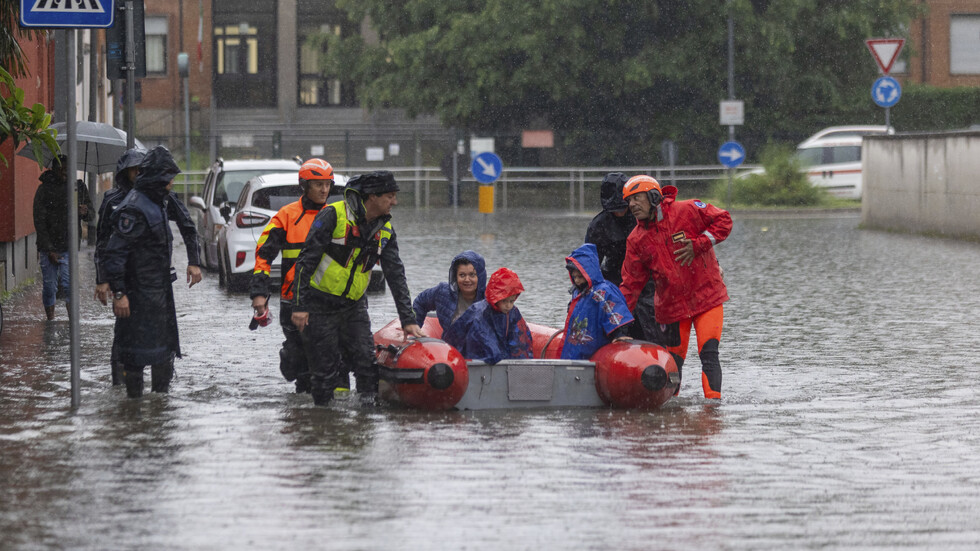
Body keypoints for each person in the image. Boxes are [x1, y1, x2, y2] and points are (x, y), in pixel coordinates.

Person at [291, 170, 424, 406]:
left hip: (354, 307)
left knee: (366, 362)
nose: (394, 202)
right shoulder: (333, 215)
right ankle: (322, 421)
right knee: (325, 370)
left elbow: (396, 275)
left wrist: (408, 319)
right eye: (390, 196)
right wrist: (299, 306)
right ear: (372, 196)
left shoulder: (385, 230)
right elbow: (305, 262)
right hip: (319, 304)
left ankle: (367, 417)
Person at [99, 146, 203, 398]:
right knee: (134, 353)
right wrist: (119, 292)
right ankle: (133, 408)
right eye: (169, 177)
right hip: (138, 294)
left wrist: (193, 260)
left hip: (158, 292)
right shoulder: (134, 208)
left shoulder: (158, 202)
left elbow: (186, 227)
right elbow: (114, 252)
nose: (172, 183)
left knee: (163, 351)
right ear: (158, 176)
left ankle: (159, 408)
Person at [619, 175, 732, 399]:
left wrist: (699, 244)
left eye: (636, 198)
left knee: (708, 354)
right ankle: (670, 409)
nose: (631, 205)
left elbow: (724, 220)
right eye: (628, 201)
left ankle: (712, 412)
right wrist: (615, 323)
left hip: (707, 299)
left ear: (653, 197)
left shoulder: (687, 210)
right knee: (673, 362)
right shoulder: (635, 239)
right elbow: (630, 286)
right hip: (671, 309)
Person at [249, 158, 334, 394]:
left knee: (330, 361)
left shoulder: (337, 215)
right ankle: (304, 414)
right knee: (301, 363)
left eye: (328, 184)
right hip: (292, 299)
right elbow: (263, 256)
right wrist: (259, 294)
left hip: (328, 298)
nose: (324, 190)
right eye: (318, 185)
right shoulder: (286, 216)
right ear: (304, 186)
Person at [32, 155, 94, 320]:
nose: (66, 173)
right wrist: (49, 249)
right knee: (50, 286)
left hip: (69, 246)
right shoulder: (44, 190)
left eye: (68, 169)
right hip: (48, 248)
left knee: (69, 285)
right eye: (62, 169)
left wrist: (85, 211)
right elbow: (39, 221)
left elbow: (91, 215)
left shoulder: (78, 189)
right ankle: (50, 319)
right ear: (54, 169)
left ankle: (72, 322)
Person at [442, 267, 533, 365]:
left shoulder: (512, 312)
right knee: (492, 353)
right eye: (504, 301)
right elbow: (484, 342)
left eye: (511, 301)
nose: (508, 305)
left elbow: (520, 339)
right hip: (463, 353)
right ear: (496, 298)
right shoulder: (480, 313)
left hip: (497, 348)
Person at [559, 243, 634, 360]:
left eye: (580, 276)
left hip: (596, 343)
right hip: (578, 342)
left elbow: (615, 313)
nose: (577, 281)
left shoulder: (603, 291)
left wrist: (620, 334)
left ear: (589, 273)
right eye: (575, 277)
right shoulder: (578, 291)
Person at [411, 250, 487, 333]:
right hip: (449, 344)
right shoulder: (443, 292)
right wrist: (415, 326)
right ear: (455, 276)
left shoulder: (489, 299)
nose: (467, 280)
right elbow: (421, 302)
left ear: (480, 276)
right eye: (462, 275)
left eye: (472, 275)